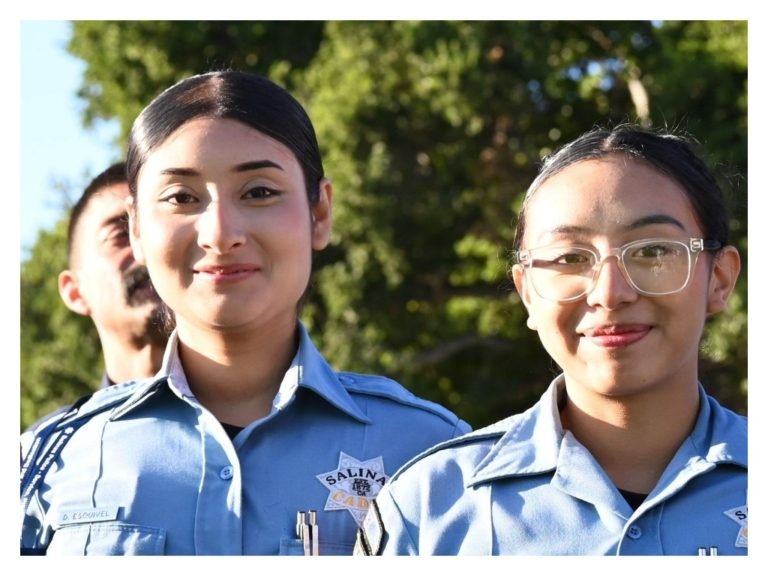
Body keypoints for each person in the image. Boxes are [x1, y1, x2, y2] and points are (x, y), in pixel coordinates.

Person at [20, 70, 470, 556]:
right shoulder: (46, 462)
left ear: (320, 214)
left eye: (258, 192)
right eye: (181, 198)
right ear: (136, 232)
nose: (220, 233)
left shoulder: (431, 452)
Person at [356, 125, 746, 556]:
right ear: (527, 293)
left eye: (652, 251)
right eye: (570, 258)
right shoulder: (427, 509)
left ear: (720, 279)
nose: (610, 292)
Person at [24, 163, 167, 434]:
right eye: (122, 233)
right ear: (75, 292)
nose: (147, 249)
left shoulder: (266, 418)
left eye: (159, 230)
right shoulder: (44, 458)